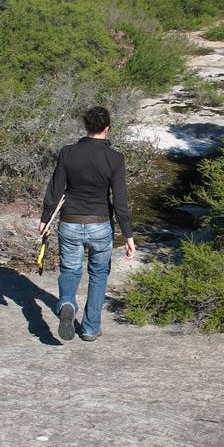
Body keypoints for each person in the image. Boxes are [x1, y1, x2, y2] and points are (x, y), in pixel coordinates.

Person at [39, 106, 136, 341]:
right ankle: (91, 328)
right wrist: (128, 235)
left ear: (86, 127)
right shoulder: (115, 158)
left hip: (70, 222)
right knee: (99, 274)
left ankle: (67, 304)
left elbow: (55, 189)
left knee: (71, 269)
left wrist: (44, 219)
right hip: (100, 224)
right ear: (107, 128)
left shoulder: (68, 153)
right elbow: (120, 200)